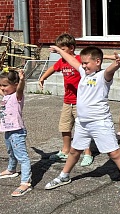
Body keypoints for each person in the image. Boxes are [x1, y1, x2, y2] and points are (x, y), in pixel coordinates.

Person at [44, 46, 120, 201]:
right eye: (83, 63)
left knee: (114, 153)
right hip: (83, 122)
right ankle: (64, 176)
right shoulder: (83, 73)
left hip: (100, 122)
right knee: (75, 151)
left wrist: (118, 63)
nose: (83, 65)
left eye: (87, 63)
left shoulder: (102, 76)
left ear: (97, 61)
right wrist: (60, 52)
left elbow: (111, 70)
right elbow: (73, 61)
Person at [38, 33, 93, 166]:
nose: (60, 52)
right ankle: (65, 150)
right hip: (67, 100)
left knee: (83, 127)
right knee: (65, 126)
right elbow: (52, 68)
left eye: (62, 49)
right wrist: (42, 78)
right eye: (59, 49)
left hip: (81, 102)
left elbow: (92, 63)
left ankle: (87, 153)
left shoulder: (79, 59)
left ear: (71, 48)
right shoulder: (61, 62)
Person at [0, 69, 32, 197]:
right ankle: (11, 169)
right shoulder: (6, 96)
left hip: (17, 131)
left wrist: (22, 80)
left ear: (15, 84)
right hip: (8, 130)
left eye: (5, 85)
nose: (2, 88)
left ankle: (26, 182)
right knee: (11, 152)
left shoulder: (17, 96)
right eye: (1, 85)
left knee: (22, 157)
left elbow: (20, 89)